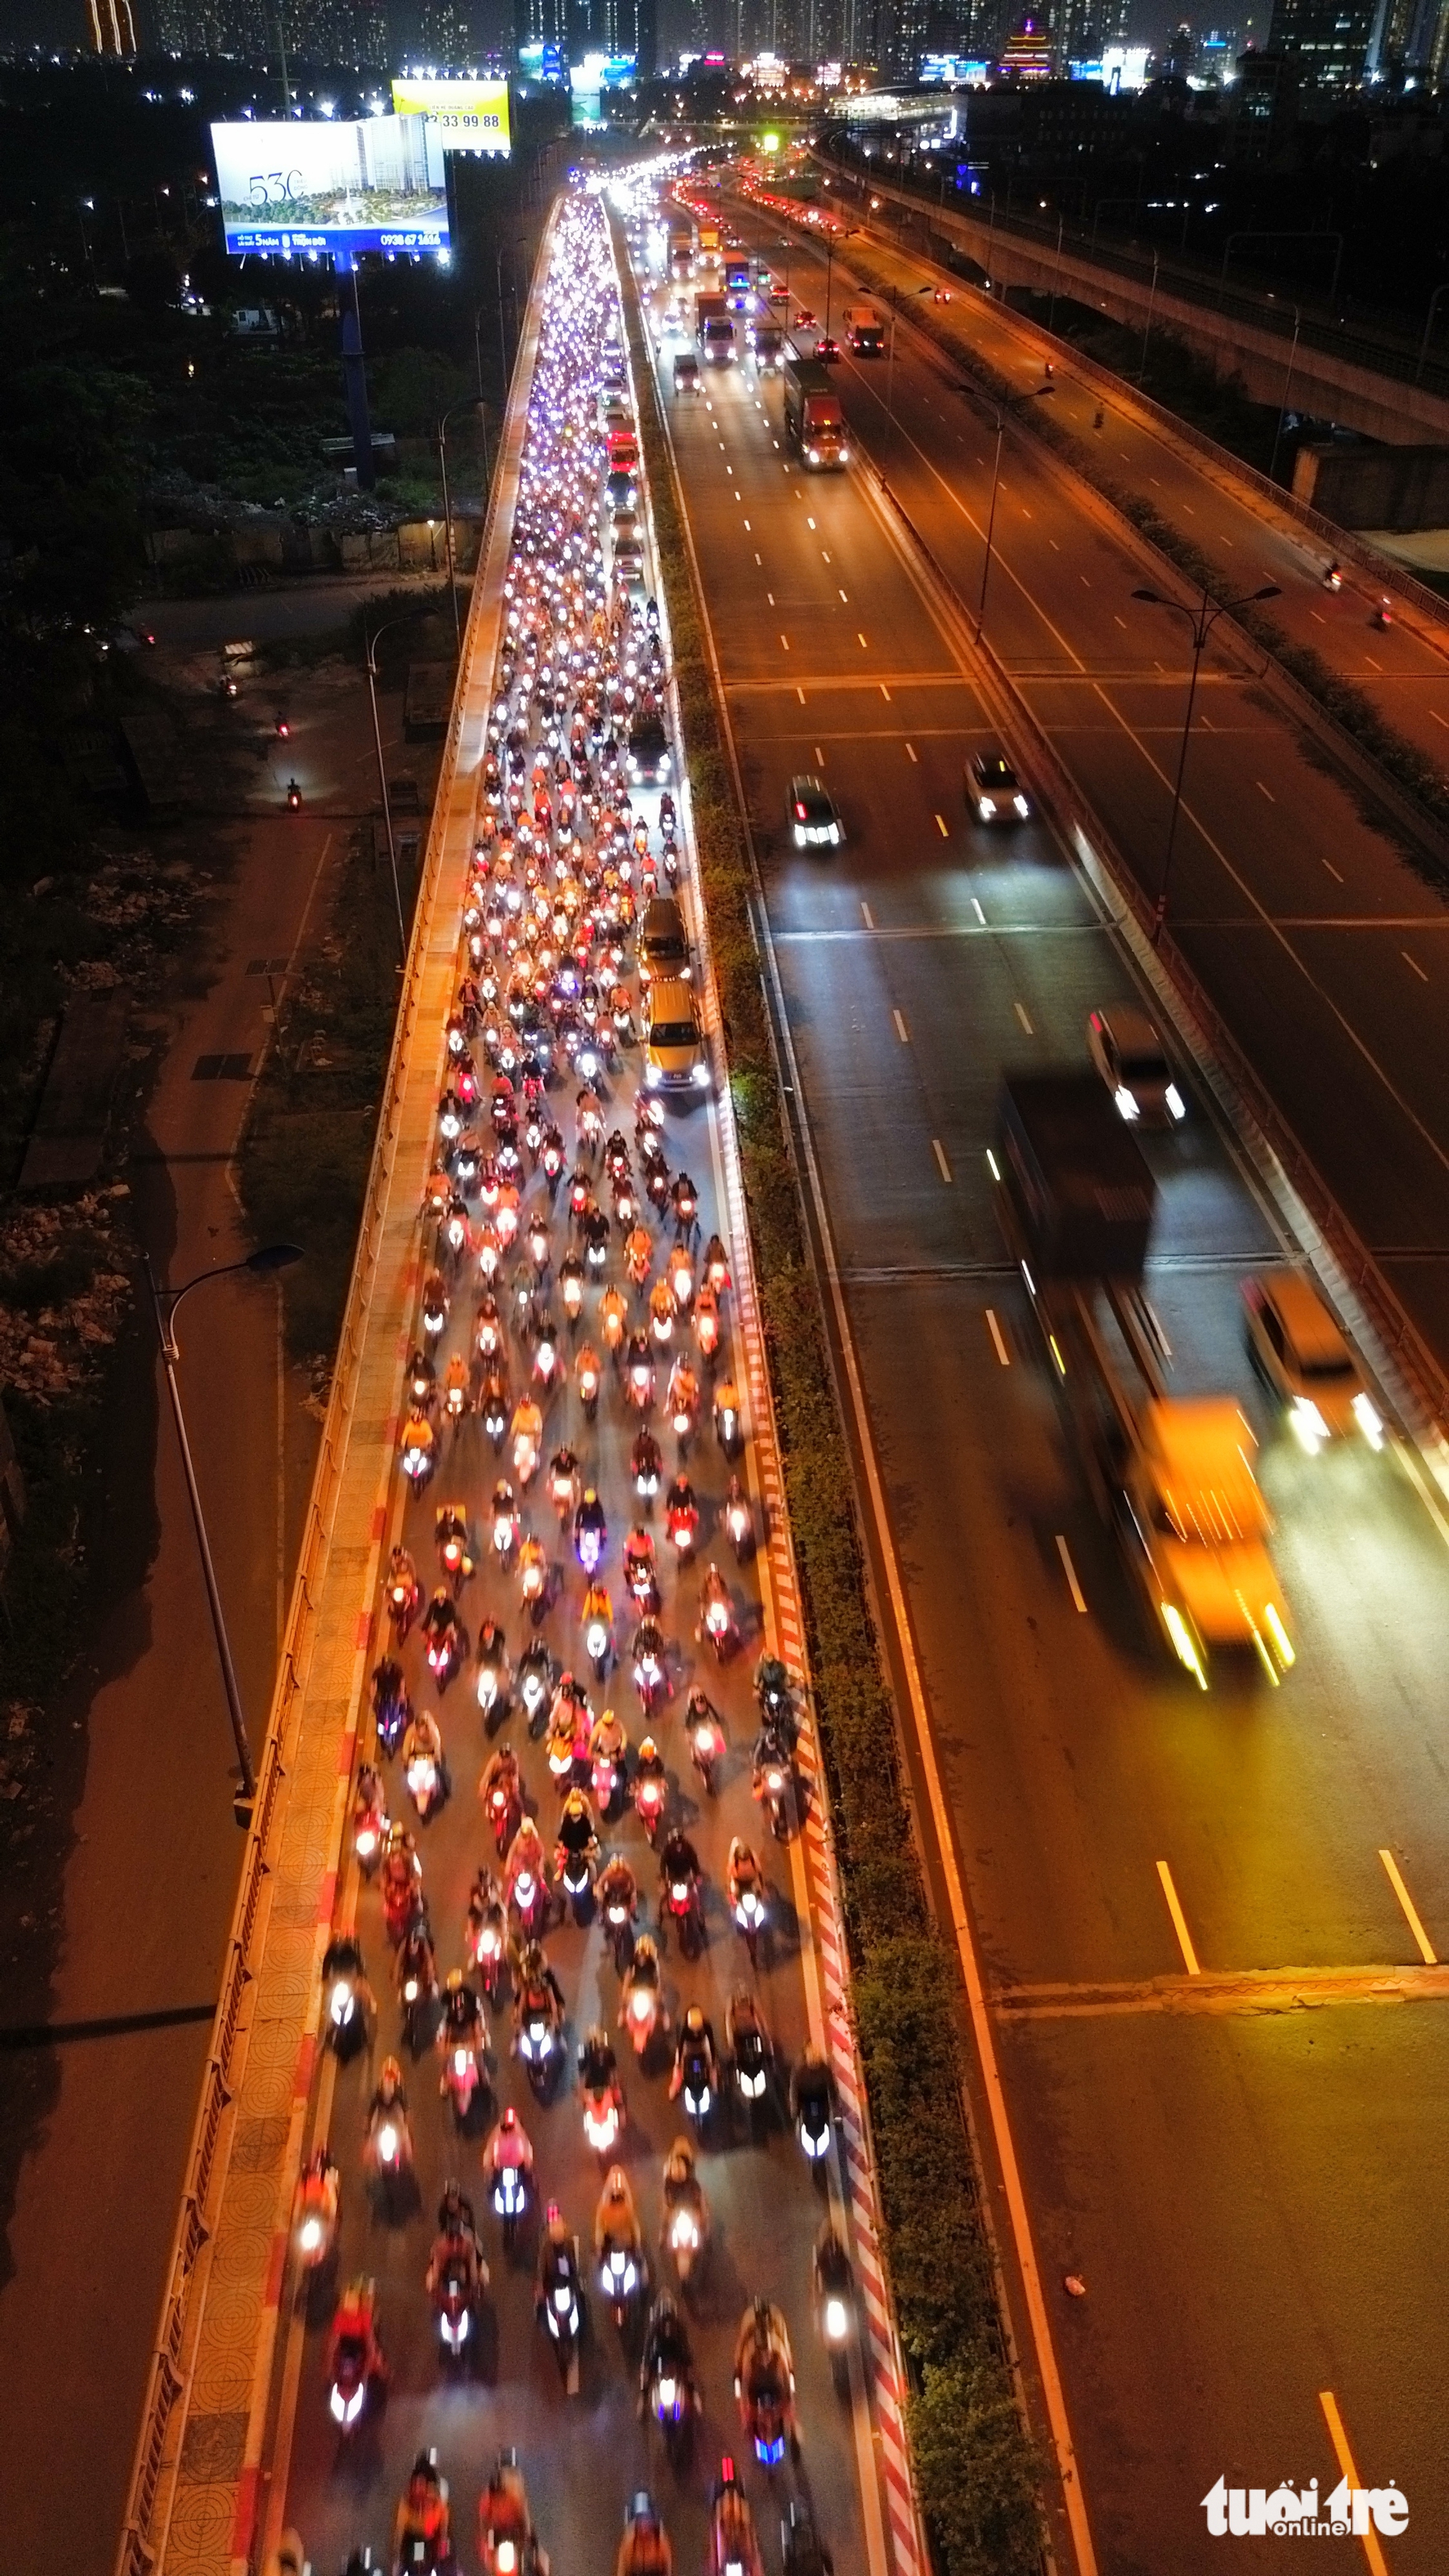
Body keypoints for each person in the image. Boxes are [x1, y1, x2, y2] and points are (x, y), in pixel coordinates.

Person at [393, 2451, 451, 2565]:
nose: (418, 2489)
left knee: (446, 2559)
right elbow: (400, 2529)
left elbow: (444, 2520)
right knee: (402, 2563)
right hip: (412, 2536)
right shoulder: (407, 2501)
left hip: (432, 2534)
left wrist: (443, 2540)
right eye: (416, 2485)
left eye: (421, 2484)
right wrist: (397, 2554)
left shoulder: (435, 2498)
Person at [668, 2002, 718, 2102]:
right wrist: (678, 2064)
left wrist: (713, 2061)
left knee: (713, 2068)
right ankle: (675, 2088)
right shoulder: (683, 2027)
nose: (695, 2032)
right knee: (678, 2070)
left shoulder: (707, 2026)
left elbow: (711, 2044)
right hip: (688, 2049)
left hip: (702, 2048)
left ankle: (715, 2086)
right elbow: (681, 2045)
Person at [617, 2495, 672, 2576]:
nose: (645, 2524)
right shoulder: (629, 2544)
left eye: (647, 2519)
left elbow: (667, 2570)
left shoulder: (661, 2544)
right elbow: (622, 2570)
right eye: (641, 2520)